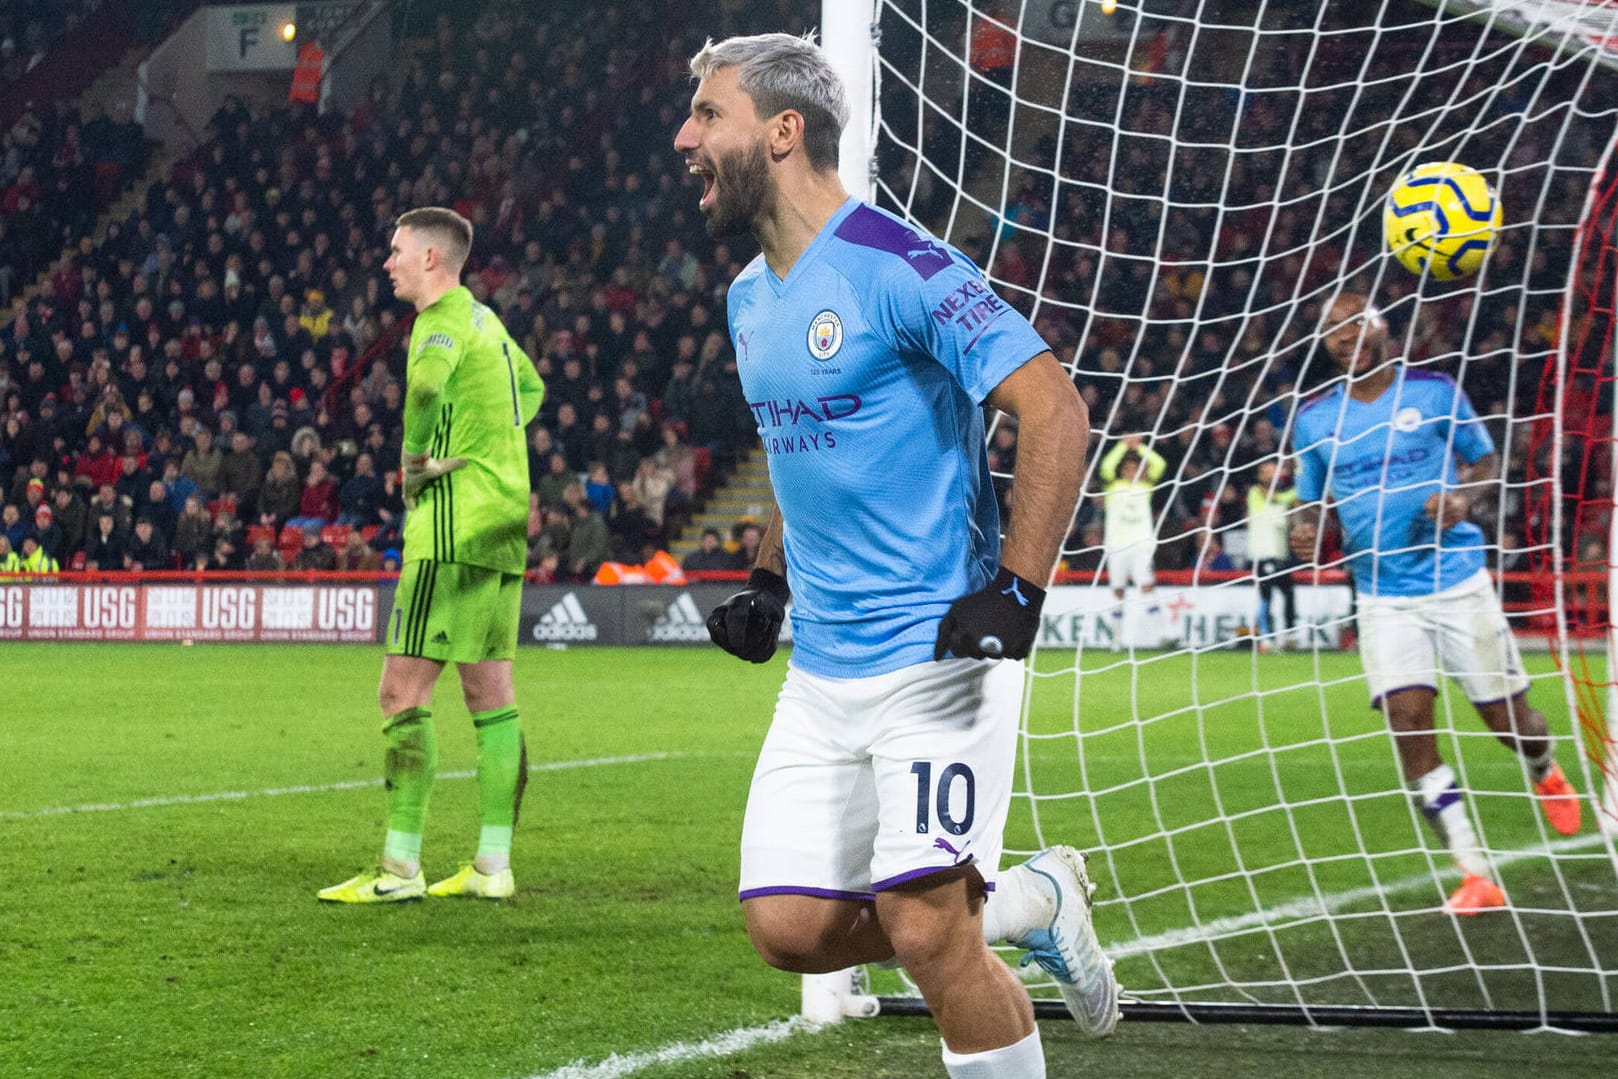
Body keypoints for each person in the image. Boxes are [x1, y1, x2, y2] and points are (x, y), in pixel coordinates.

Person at [674, 33, 1119, 1078]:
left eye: (708, 114)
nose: (685, 134)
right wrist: (769, 578)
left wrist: (1016, 590)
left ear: (782, 132)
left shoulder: (901, 266)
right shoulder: (749, 297)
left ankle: (989, 914)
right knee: (788, 929)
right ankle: (1036, 896)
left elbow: (1052, 405)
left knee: (924, 932)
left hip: (937, 656)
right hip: (823, 668)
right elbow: (798, 444)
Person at [1288, 293, 1582, 916]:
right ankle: (1474, 871)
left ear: (1383, 328)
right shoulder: (1314, 419)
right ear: (1325, 345)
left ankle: (1544, 767)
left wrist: (1462, 498)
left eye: (1356, 321)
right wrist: (1305, 526)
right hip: (1381, 596)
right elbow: (1309, 499)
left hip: (1456, 582)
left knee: (1512, 725)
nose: (1347, 336)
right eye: (1333, 329)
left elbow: (1484, 461)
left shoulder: (1435, 391)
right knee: (1408, 727)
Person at [319, 206, 544, 905]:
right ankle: (491, 863)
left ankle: (399, 867)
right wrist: (483, 443)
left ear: (429, 259)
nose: (387, 262)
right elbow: (530, 391)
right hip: (504, 521)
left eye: (395, 251)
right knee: (490, 696)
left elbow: (420, 387)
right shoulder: (490, 324)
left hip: (451, 527)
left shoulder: (439, 319)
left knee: (400, 691)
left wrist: (417, 457)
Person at [1097, 435, 1171, 650]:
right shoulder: (1114, 486)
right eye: (1128, 469)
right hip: (1117, 546)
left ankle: (1162, 635)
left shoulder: (1145, 487)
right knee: (1118, 591)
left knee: (1146, 586)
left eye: (1136, 468)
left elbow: (1160, 464)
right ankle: (1117, 640)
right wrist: (1122, 446)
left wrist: (1140, 447)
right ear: (1123, 471)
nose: (1132, 472)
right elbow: (1106, 467)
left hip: (1141, 545)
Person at [1245, 459, 1298, 651]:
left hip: (1280, 555)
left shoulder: (1283, 498)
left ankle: (1290, 635)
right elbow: (1279, 498)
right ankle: (1266, 638)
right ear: (1261, 475)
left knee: (1289, 593)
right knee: (1266, 596)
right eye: (1267, 471)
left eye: (1274, 471)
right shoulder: (1256, 493)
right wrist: (1302, 486)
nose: (1272, 475)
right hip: (1262, 555)